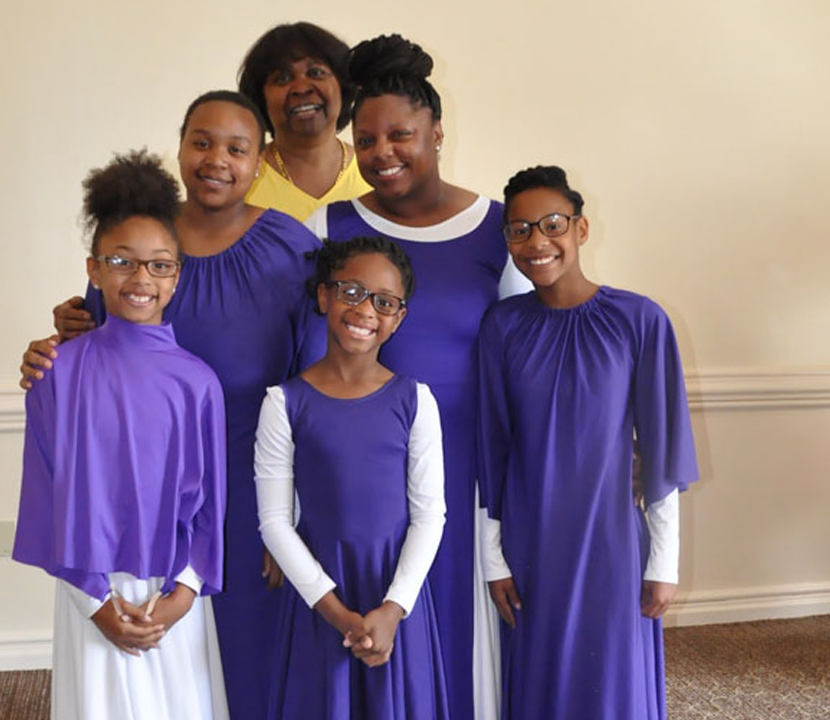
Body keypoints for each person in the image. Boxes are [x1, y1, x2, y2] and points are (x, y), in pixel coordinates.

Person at [19, 91, 325, 720]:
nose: (216, 159)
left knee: (246, 660)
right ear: (180, 146)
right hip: (133, 505)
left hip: (253, 491)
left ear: (261, 159)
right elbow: (98, 364)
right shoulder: (141, 234)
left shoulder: (291, 249)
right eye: (201, 142)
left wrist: (293, 515)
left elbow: (316, 386)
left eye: (237, 148)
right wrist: (49, 352)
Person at [305, 34, 530, 719]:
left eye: (400, 135)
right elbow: (290, 342)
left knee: (458, 634)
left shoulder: (498, 230)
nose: (383, 153)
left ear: (437, 131)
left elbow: (535, 353)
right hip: (360, 473)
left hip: (463, 465)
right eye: (366, 140)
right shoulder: (329, 225)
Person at [477, 165, 699, 720]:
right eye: (520, 230)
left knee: (612, 682)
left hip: (611, 541)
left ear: (581, 228)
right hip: (531, 540)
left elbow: (662, 449)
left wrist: (664, 564)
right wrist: (493, 559)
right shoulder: (501, 326)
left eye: (552, 224)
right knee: (541, 677)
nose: (537, 242)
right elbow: (492, 448)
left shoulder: (639, 320)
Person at [12, 149, 227, 720]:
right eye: (122, 262)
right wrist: (97, 604)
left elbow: (210, 506)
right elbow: (48, 496)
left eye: (159, 265)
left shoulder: (198, 383)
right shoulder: (58, 373)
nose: (141, 279)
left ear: (176, 276)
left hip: (172, 595)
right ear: (94, 269)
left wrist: (182, 595)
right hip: (90, 589)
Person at [254, 237, 449, 719]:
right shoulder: (283, 403)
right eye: (352, 292)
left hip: (395, 597)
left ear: (398, 318)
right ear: (325, 296)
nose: (365, 310)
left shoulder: (416, 401)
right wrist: (338, 614)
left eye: (384, 301)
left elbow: (430, 515)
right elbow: (275, 521)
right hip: (320, 599)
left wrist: (393, 609)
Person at [238, 22, 370, 221]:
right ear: (260, 97)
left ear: (342, 85)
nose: (301, 88)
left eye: (316, 73)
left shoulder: (374, 172)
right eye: (282, 78)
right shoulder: (241, 179)